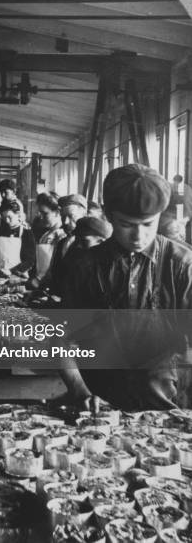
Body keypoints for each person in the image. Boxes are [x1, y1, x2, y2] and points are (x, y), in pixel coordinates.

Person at [58, 163, 192, 411]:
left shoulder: (182, 265)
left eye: (148, 224)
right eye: (127, 225)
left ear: (161, 216)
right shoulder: (85, 267)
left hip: (170, 405)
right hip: (100, 403)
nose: (138, 237)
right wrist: (79, 390)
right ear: (108, 215)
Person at [0, 199, 36, 277]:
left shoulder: (26, 233)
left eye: (9, 217)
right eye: (4, 217)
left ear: (18, 215)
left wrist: (11, 271)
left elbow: (30, 260)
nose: (7, 220)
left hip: (18, 275)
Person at [32, 192, 65, 282]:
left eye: (45, 213)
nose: (41, 217)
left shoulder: (62, 235)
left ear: (57, 212)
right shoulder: (46, 234)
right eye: (39, 213)